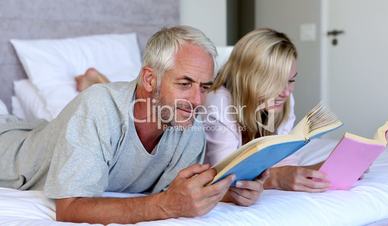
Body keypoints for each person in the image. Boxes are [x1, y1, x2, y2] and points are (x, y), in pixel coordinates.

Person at [0, 26, 267, 225]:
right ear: (150, 80)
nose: (197, 101)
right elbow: (69, 208)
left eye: (204, 87)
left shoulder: (188, 123)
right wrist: (165, 206)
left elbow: (177, 192)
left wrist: (231, 194)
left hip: (49, 130)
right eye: (184, 84)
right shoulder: (99, 107)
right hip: (9, 149)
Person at [204, 28, 330, 193]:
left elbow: (283, 159)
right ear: (247, 78)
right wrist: (276, 178)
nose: (286, 92)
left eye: (291, 80)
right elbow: (225, 175)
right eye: (275, 82)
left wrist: (316, 171)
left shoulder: (284, 100)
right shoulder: (218, 102)